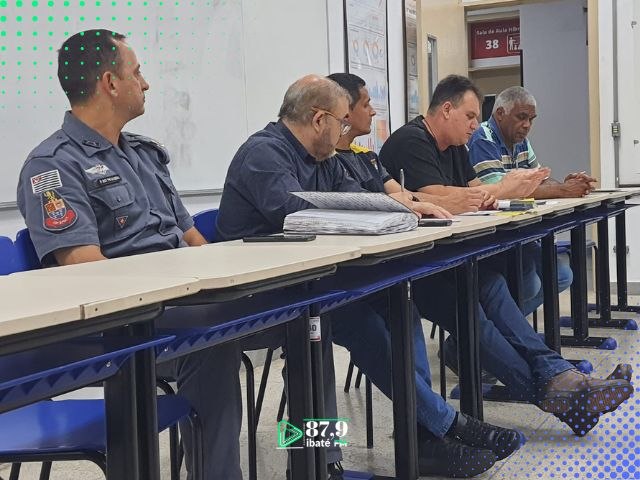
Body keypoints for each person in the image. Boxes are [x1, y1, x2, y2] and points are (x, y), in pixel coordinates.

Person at [216, 73, 525, 478]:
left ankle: (423, 436)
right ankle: (424, 430)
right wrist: (376, 207)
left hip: (310, 287)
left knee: (399, 305)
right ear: (319, 119)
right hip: (260, 298)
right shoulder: (263, 153)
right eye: (341, 122)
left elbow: (361, 199)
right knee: (326, 329)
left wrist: (407, 207)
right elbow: (297, 212)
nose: (344, 131)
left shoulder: (323, 159)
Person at [17, 29, 243, 480]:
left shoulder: (144, 153)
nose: (146, 83)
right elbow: (83, 269)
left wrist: (225, 276)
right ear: (110, 83)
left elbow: (190, 237)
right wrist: (177, 288)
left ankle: (322, 457)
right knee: (215, 343)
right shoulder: (53, 165)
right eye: (137, 72)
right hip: (117, 327)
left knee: (303, 314)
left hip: (175, 306)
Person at [379, 74, 633, 436]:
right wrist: (500, 189)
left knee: (495, 285)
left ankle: (565, 383)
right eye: (470, 116)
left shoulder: (455, 146)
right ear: (446, 109)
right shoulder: (411, 140)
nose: (474, 125)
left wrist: (503, 190)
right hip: (412, 272)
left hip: (450, 260)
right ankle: (568, 396)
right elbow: (444, 198)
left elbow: (475, 194)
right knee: (477, 318)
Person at [467, 85, 597, 315]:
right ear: (500, 114)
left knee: (562, 276)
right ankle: (490, 331)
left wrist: (565, 185)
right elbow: (502, 191)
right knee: (529, 285)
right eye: (521, 117)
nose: (527, 125)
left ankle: (504, 329)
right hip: (493, 237)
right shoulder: (482, 138)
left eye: (531, 119)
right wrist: (562, 190)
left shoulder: (520, 141)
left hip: (519, 233)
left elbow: (540, 179)